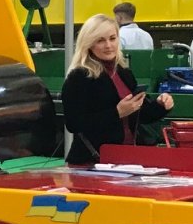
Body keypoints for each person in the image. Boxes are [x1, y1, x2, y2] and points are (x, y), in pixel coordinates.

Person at [61, 13, 174, 165]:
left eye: (112, 38)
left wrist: (161, 105)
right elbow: (74, 124)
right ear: (89, 43)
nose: (108, 45)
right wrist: (117, 113)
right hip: (91, 162)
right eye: (100, 40)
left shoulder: (123, 72)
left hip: (126, 159)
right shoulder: (79, 76)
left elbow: (141, 113)